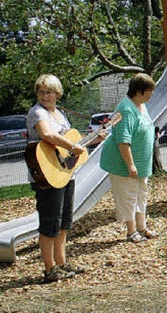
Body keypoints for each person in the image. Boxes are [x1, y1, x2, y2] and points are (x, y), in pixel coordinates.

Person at [27, 74, 104, 282]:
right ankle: (49, 269)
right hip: (46, 174)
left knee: (63, 221)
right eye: (41, 92)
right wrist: (71, 146)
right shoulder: (37, 113)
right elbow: (47, 135)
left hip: (64, 172)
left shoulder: (59, 114)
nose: (45, 96)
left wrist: (95, 138)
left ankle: (61, 262)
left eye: (49, 92)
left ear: (57, 94)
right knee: (50, 222)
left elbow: (72, 141)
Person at [100, 73, 159, 243]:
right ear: (139, 91)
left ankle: (142, 227)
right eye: (150, 91)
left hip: (142, 164)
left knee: (141, 195)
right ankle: (131, 231)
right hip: (124, 165)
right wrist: (131, 165)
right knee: (128, 197)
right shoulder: (125, 109)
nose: (152, 94)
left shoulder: (141, 105)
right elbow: (123, 140)